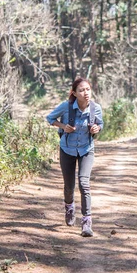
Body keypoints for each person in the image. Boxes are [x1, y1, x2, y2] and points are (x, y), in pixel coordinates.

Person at [46, 77, 103, 237]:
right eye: (81, 90)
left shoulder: (95, 108)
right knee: (69, 187)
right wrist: (64, 126)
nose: (86, 93)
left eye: (88, 89)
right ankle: (69, 207)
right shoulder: (66, 107)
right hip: (67, 150)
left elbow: (100, 124)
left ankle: (86, 223)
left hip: (86, 150)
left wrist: (96, 129)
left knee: (84, 184)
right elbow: (50, 118)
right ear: (74, 93)